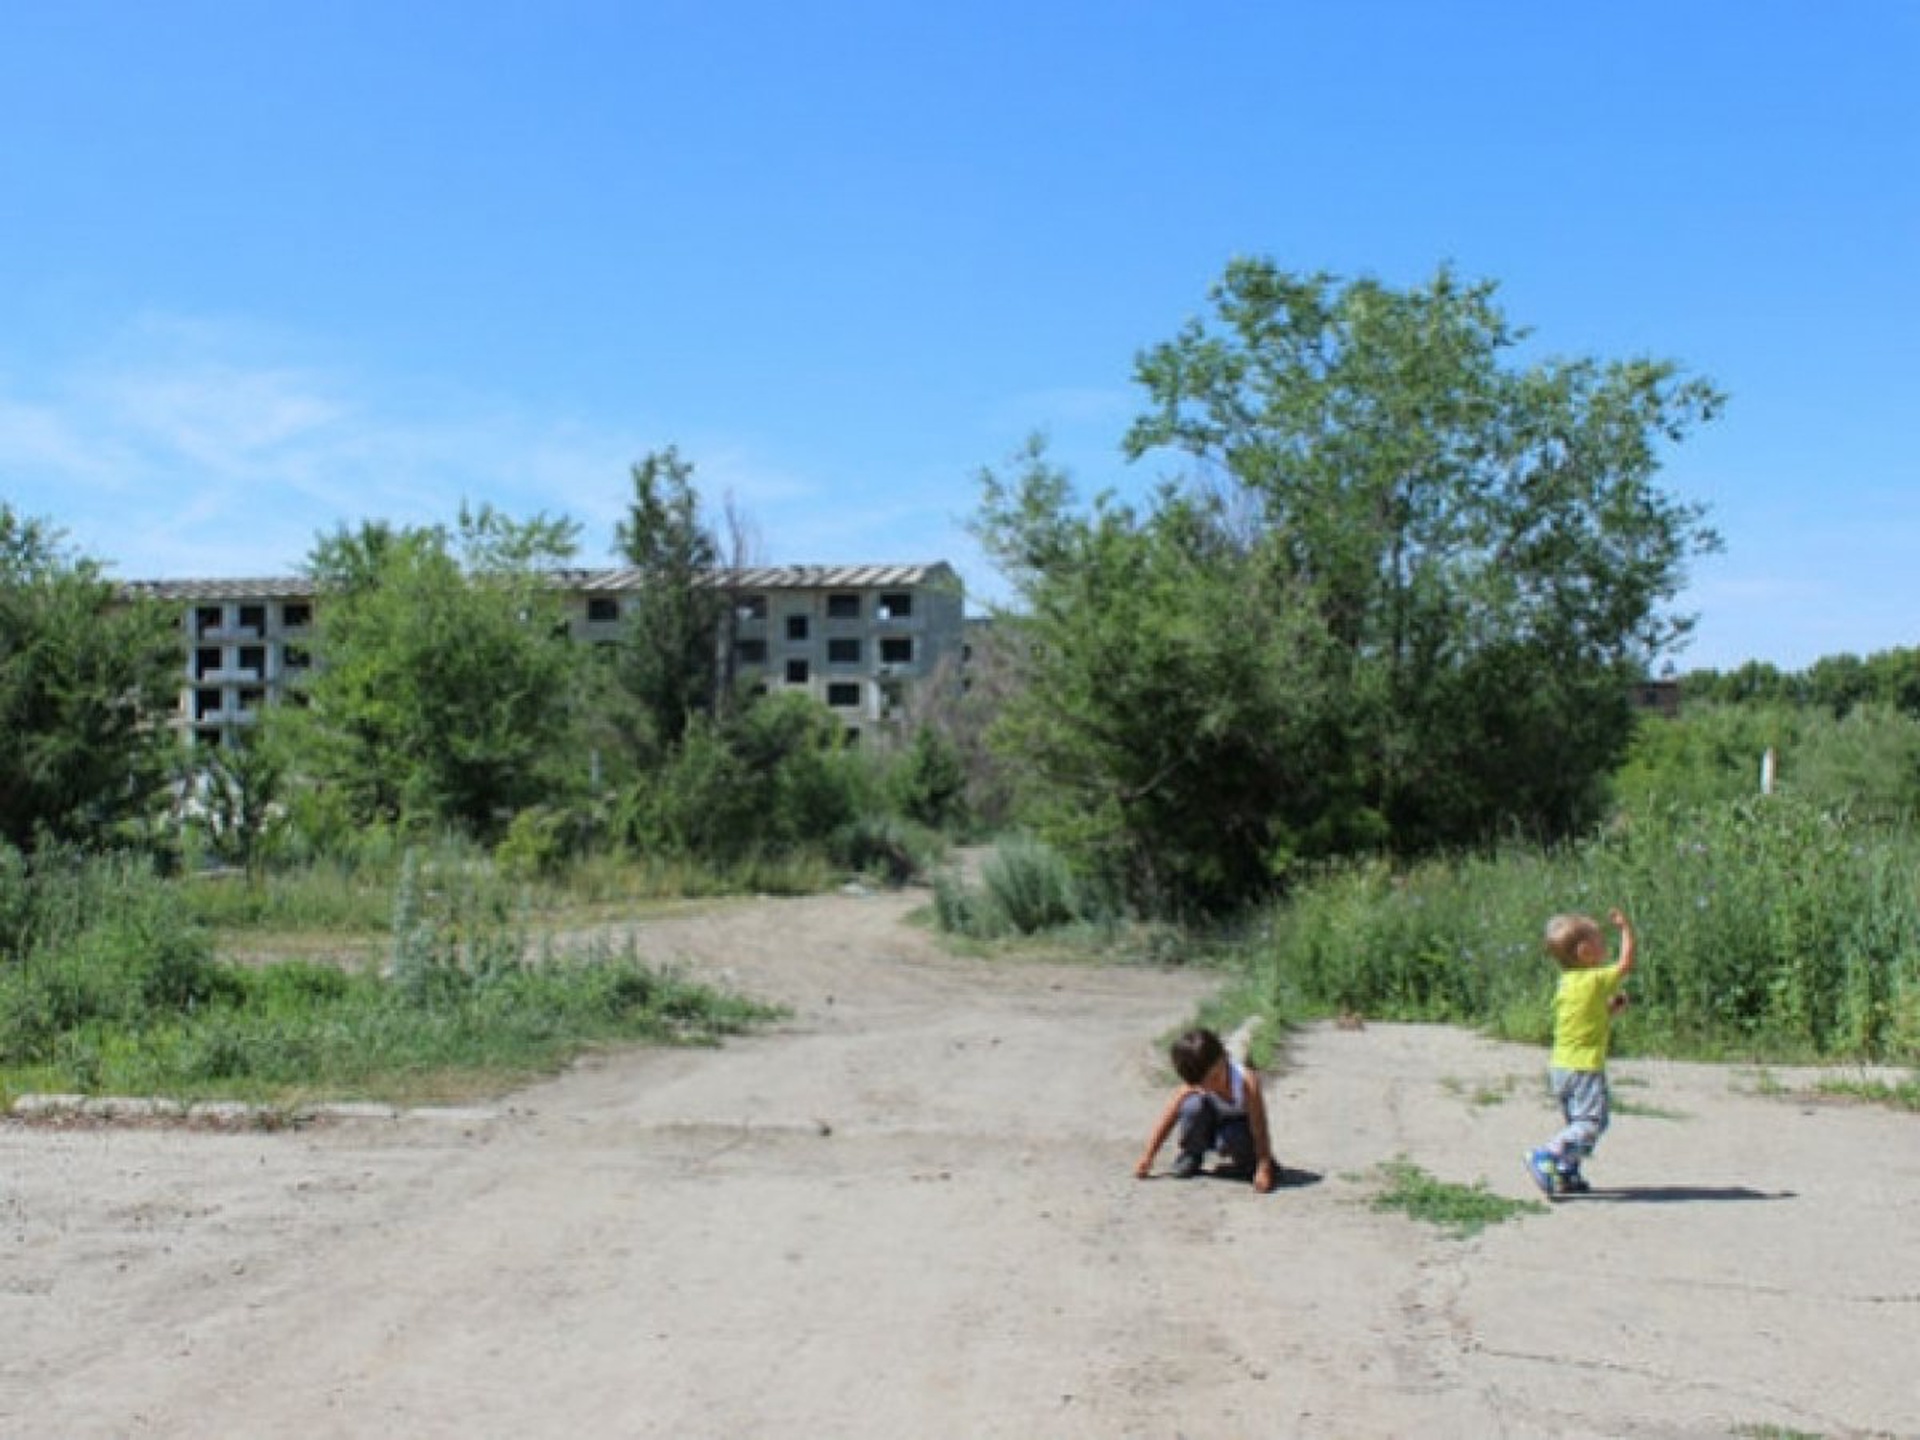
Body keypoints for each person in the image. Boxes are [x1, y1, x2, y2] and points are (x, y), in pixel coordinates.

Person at [1527, 907, 1636, 1198]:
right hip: (1584, 1067)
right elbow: (1625, 964)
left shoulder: (1568, 984)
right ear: (1585, 951)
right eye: (1600, 942)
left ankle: (1566, 1171)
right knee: (1592, 1122)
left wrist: (1610, 1011)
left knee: (1577, 1124)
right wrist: (1626, 929)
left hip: (1560, 1067)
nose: (1606, 947)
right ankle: (1547, 1155)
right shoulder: (1594, 980)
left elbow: (1585, 1020)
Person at [1134, 1027, 1278, 1193]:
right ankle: (1192, 1154)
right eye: (1204, 1084)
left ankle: (1250, 1165)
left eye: (1215, 1077)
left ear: (1224, 1057)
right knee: (1191, 1106)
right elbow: (1167, 1119)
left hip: (1237, 1133)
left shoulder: (1246, 1083)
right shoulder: (1196, 1084)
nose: (1212, 1086)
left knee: (1232, 1135)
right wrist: (1148, 1157)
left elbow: (1259, 1127)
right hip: (1211, 1126)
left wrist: (1264, 1165)